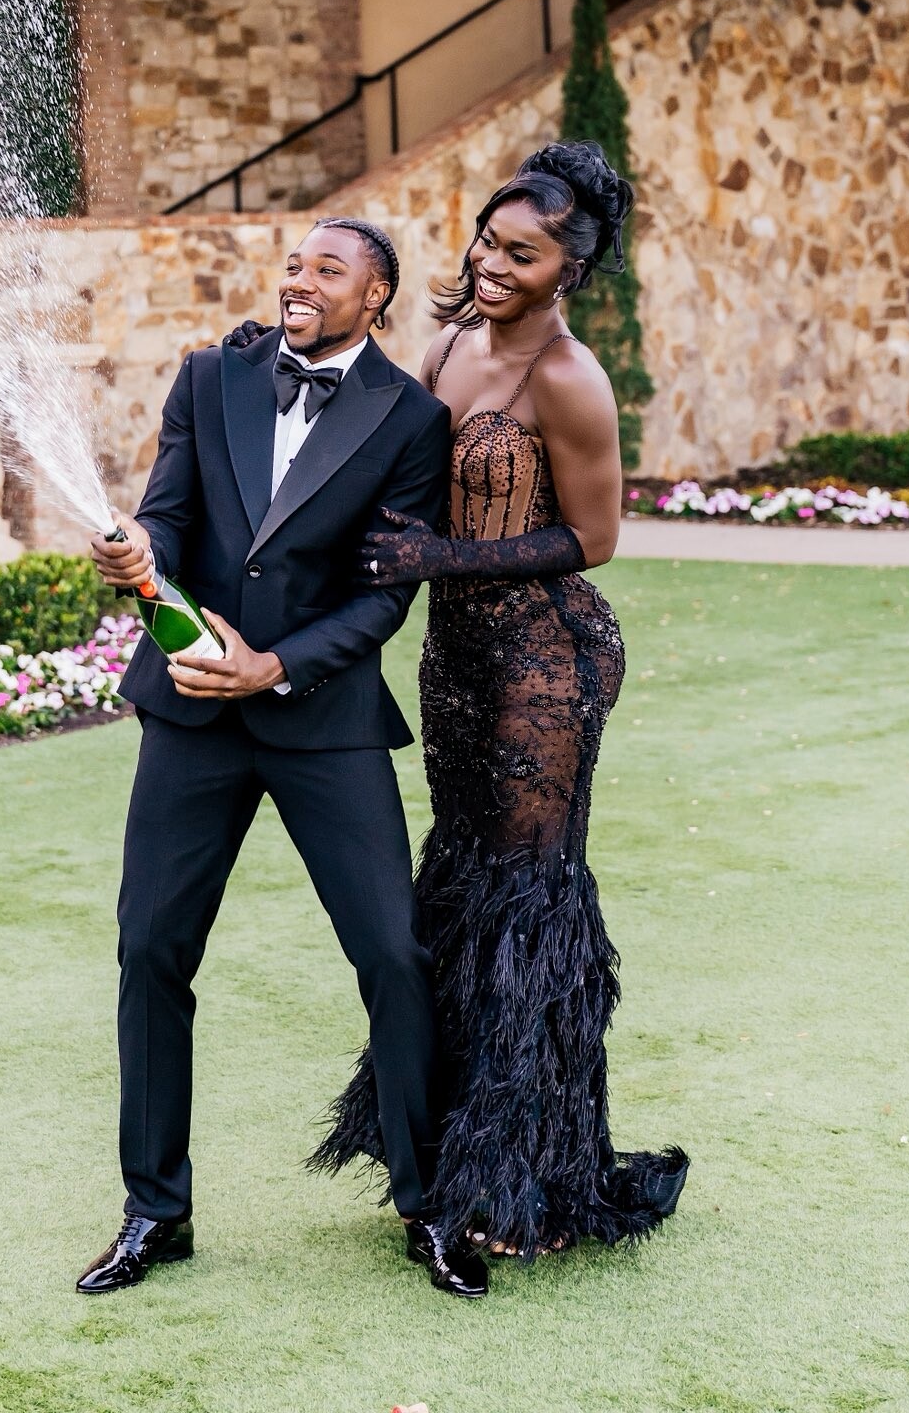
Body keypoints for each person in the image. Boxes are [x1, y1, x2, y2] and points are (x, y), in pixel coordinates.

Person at [79, 218, 492, 1300]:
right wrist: (140, 554)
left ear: (377, 296)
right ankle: (154, 1211)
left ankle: (429, 1207)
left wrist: (275, 665)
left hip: (324, 720)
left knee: (393, 955)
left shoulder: (412, 418)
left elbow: (386, 594)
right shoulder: (208, 376)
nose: (300, 280)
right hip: (191, 711)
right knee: (150, 950)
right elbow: (169, 518)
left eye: (328, 269)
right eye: (295, 265)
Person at [310, 143, 689, 1260]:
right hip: (457, 666)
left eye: (523, 254)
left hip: (543, 664)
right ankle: (449, 1153)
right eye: (488, 239)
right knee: (466, 889)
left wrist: (441, 556)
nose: (492, 264)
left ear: (571, 268)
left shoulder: (569, 379)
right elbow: (382, 446)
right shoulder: (448, 345)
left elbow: (596, 538)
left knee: (530, 906)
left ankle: (533, 1179)